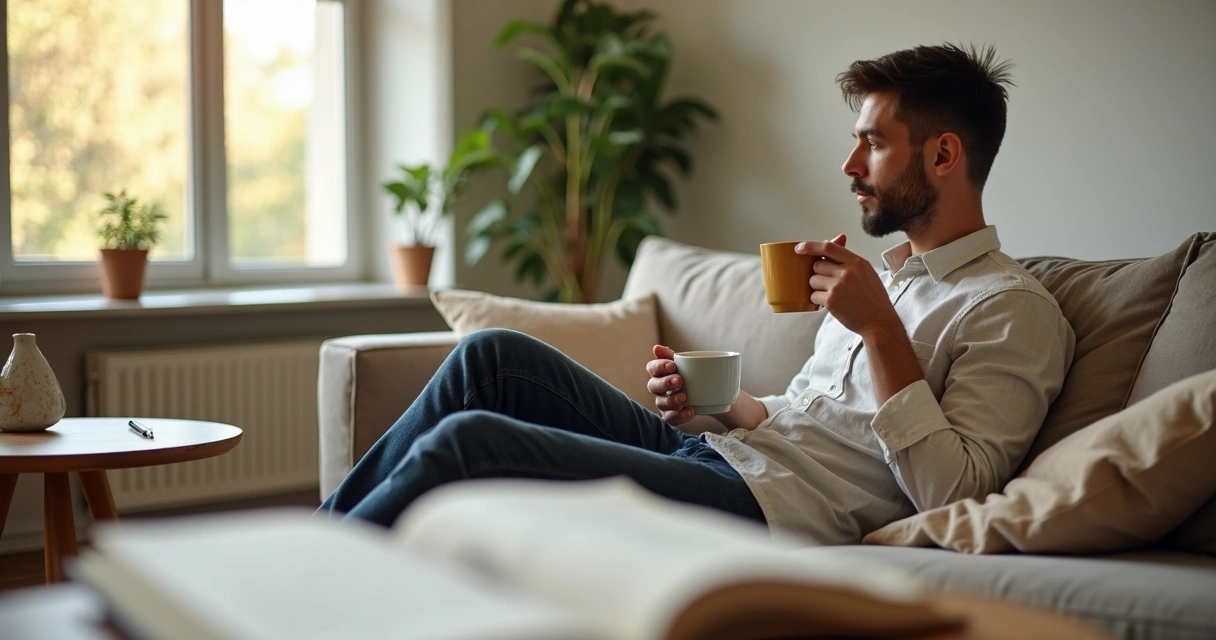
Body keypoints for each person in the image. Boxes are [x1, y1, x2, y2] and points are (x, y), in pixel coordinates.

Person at [318, 43, 1075, 545]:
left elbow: (954, 495)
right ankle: (316, 544)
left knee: (470, 442)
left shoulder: (1011, 310)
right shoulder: (880, 280)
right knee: (492, 359)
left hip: (767, 510)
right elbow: (815, 422)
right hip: (723, 455)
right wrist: (722, 407)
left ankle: (302, 581)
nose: (849, 165)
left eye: (873, 142)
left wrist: (880, 330)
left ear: (943, 155)